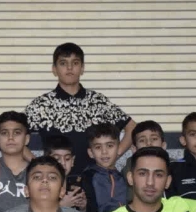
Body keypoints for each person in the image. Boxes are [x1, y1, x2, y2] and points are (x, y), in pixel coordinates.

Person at [25, 42, 136, 177]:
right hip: (56, 182)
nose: (69, 67)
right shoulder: (41, 105)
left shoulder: (98, 102)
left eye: (75, 63)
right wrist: (38, 165)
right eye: (63, 63)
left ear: (82, 68)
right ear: (54, 69)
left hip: (95, 181)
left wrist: (115, 155)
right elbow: (15, 136)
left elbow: (132, 127)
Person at [80, 123, 127, 212]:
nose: (104, 152)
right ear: (91, 153)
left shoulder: (124, 177)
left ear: (118, 148)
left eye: (110, 146)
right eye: (98, 147)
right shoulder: (88, 178)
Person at [122, 120, 167, 201]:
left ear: (163, 146)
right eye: (142, 140)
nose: (149, 143)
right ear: (134, 149)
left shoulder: (174, 166)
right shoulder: (129, 169)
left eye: (154, 139)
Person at [44, 134, 86, 211]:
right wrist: (61, 206)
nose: (63, 163)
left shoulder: (74, 188)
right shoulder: (43, 187)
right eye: (57, 159)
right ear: (47, 161)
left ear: (72, 161)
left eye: (67, 159)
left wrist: (83, 208)